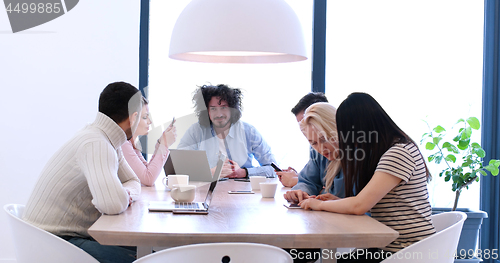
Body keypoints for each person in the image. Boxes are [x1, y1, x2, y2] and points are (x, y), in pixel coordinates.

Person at [299, 93, 436, 262]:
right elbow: (371, 204)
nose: (344, 140)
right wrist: (333, 202)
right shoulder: (393, 149)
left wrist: (319, 205)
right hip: (390, 246)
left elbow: (359, 205)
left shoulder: (398, 153)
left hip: (405, 250)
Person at [23, 82, 144, 263]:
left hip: (56, 236)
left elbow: (133, 181)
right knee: (141, 257)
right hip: (52, 241)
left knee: (144, 249)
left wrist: (125, 194)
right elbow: (112, 204)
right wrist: (122, 196)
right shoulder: (97, 144)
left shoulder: (107, 141)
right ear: (133, 118)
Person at [178, 84, 276, 178]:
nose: (219, 114)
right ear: (206, 111)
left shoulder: (249, 131)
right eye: (213, 109)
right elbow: (178, 166)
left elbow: (274, 169)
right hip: (205, 191)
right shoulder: (196, 131)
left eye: (223, 108)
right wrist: (210, 172)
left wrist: (243, 172)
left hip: (242, 192)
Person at [279, 93, 344, 203]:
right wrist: (300, 192)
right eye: (313, 143)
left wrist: (321, 193)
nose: (321, 149)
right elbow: (308, 181)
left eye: (324, 139)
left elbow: (341, 194)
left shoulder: (356, 154)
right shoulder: (318, 153)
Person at [122, 97, 177, 186]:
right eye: (144, 117)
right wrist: (164, 144)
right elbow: (148, 179)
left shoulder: (132, 143)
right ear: (132, 119)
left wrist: (160, 144)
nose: (150, 121)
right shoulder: (123, 144)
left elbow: (147, 170)